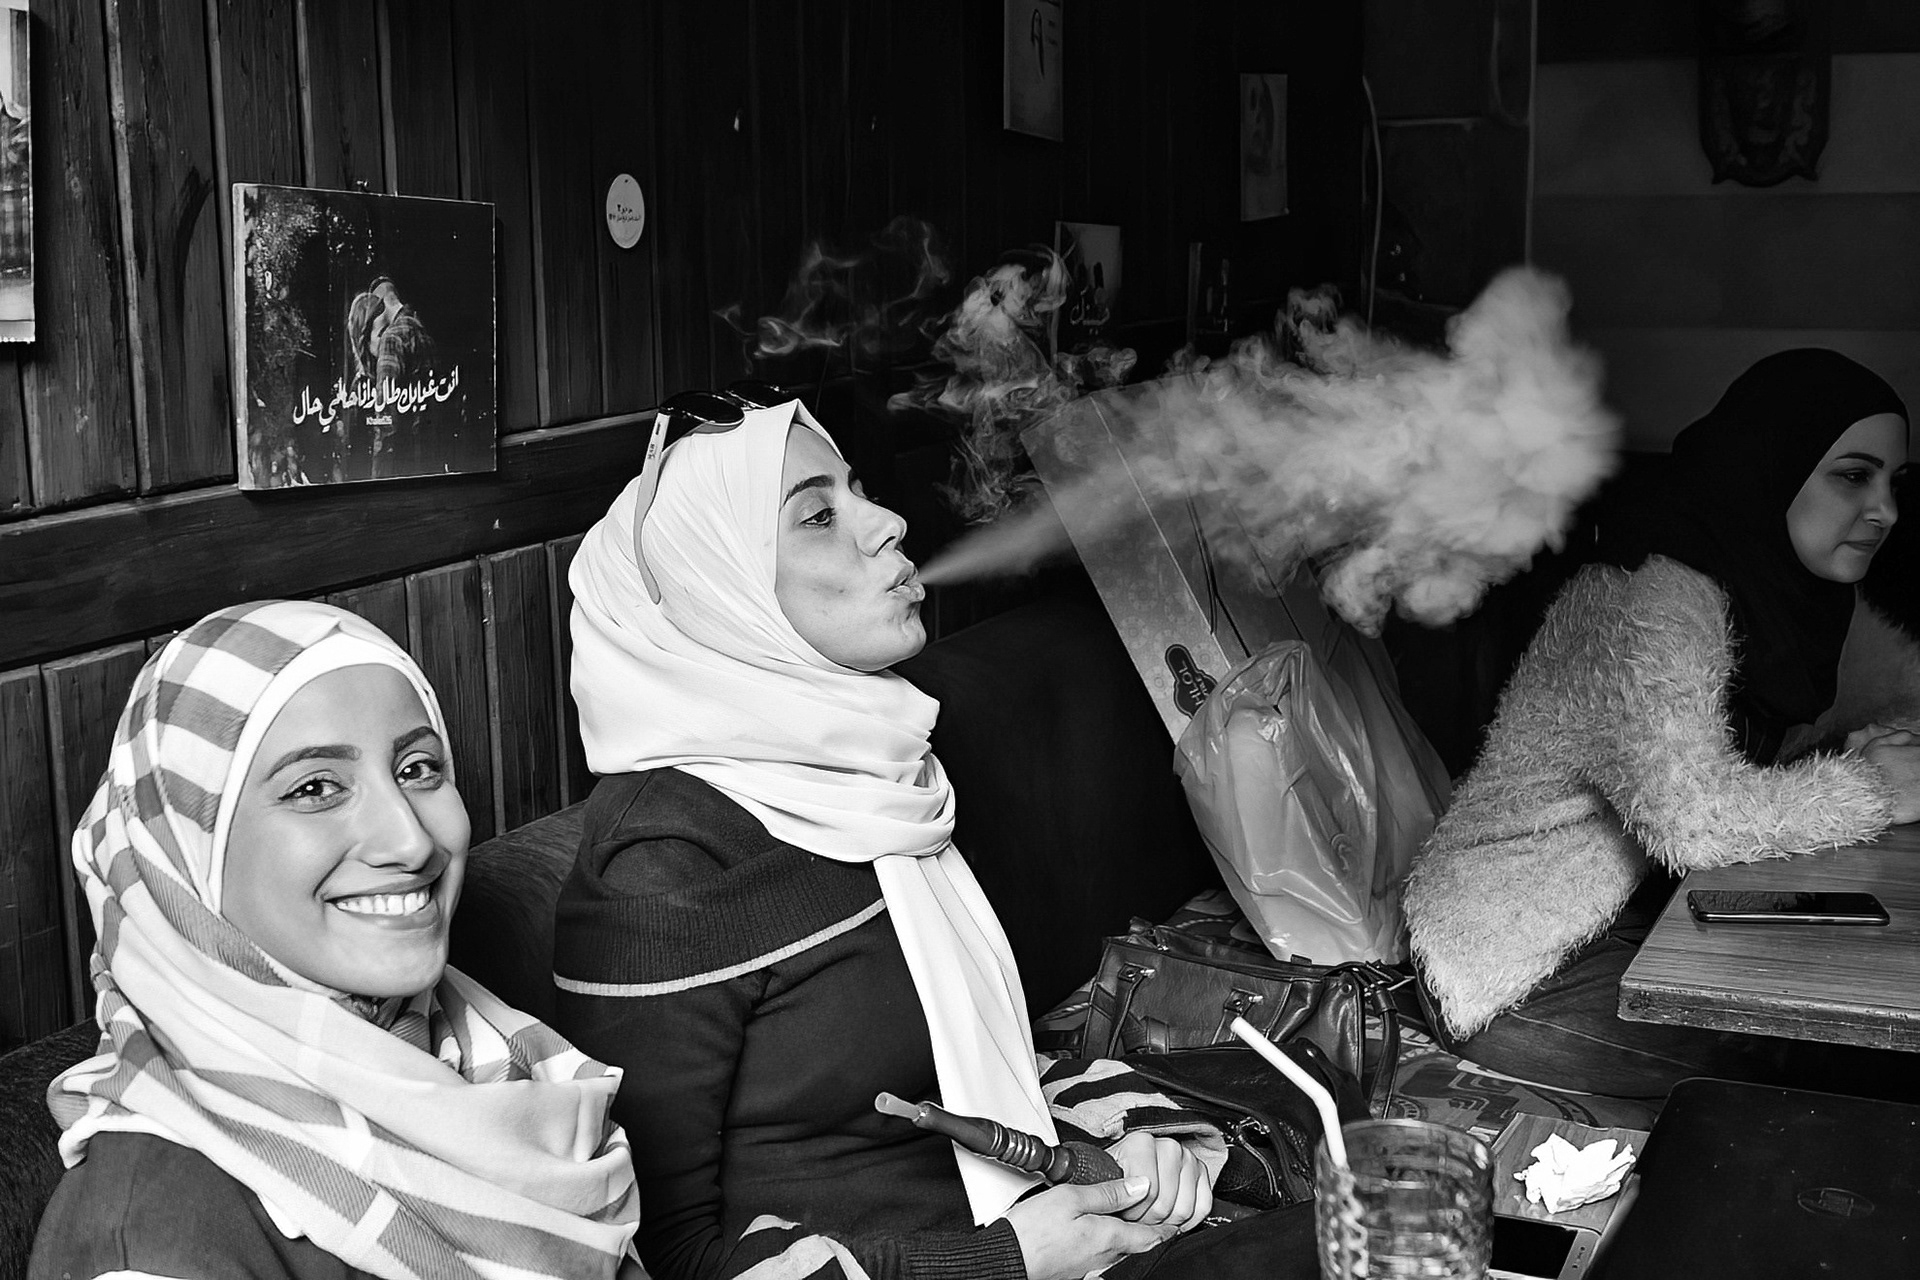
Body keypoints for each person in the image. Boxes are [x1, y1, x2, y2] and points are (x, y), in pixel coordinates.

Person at [555, 395, 1318, 1280]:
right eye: (817, 516)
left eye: (858, 490)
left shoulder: (880, 769)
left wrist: (1132, 1154)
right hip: (996, 1262)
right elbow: (661, 1256)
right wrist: (1002, 1262)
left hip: (1047, 1224)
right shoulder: (661, 864)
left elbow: (961, 1080)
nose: (888, 523)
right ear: (715, 589)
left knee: (1391, 1223)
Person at [30, 601, 639, 1280]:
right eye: (316, 787)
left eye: (417, 769)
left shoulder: (485, 1058)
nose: (411, 841)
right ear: (183, 856)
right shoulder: (153, 1244)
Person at [1405, 348, 1920, 1098]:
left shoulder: (1778, 589)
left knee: (1855, 981)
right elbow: (1691, 818)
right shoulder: (1651, 598)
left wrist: (1871, 749)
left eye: (1894, 482)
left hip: (1632, 917)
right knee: (1831, 1055)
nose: (1886, 510)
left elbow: (1862, 699)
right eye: (1852, 476)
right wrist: (1874, 787)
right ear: (1770, 466)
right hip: (1516, 968)